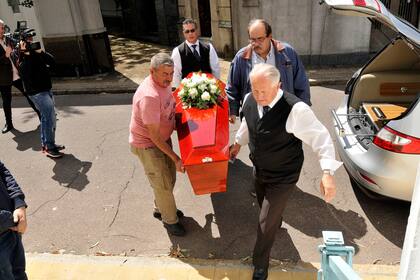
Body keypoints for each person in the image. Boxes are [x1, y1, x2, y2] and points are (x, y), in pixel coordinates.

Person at [229, 64, 342, 280]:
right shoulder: (250, 99)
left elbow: (321, 138)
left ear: (278, 85)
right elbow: (247, 125)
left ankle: (260, 265)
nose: (259, 96)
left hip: (283, 175)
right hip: (259, 169)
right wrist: (236, 144)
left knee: (264, 222)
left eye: (264, 91)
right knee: (265, 208)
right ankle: (275, 220)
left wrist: (327, 172)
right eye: (255, 90)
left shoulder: (296, 110)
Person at [129, 53, 186, 236]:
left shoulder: (164, 84)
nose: (169, 79)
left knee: (169, 178)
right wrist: (176, 158)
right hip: (148, 144)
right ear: (152, 72)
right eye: (164, 74)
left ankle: (160, 207)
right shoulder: (149, 97)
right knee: (162, 183)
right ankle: (170, 220)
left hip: (161, 139)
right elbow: (153, 135)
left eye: (171, 74)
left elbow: (170, 107)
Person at [226, 19, 311, 124]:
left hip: (285, 113)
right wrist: (232, 111)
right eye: (252, 40)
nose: (256, 43)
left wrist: (303, 110)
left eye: (260, 39)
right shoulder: (241, 57)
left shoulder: (287, 53)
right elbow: (232, 86)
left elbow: (301, 84)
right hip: (254, 117)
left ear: (270, 36)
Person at [17, 40, 64, 158]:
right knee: (49, 118)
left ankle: (48, 144)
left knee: (48, 118)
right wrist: (25, 54)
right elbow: (25, 75)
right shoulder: (22, 60)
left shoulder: (38, 56)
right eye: (28, 43)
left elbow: (52, 62)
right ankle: (49, 146)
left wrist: (41, 52)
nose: (31, 44)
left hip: (47, 90)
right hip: (37, 93)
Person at [0, 19, 40, 134]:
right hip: (4, 78)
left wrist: (23, 40)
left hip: (17, 74)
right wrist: (6, 55)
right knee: (7, 102)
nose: (2, 30)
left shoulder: (7, 38)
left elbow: (17, 43)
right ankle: (9, 124)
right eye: (0, 28)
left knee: (30, 95)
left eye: (3, 27)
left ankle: (42, 116)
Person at [171, 18, 220, 88]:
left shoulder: (209, 47)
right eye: (187, 31)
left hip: (208, 91)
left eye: (192, 30)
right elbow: (176, 75)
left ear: (197, 30)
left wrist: (216, 88)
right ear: (183, 33)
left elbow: (216, 70)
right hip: (189, 93)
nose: (190, 33)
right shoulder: (178, 51)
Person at [0, 160, 28, 280]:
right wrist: (8, 219)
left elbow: (3, 171)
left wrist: (18, 203)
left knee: (19, 274)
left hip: (12, 230)